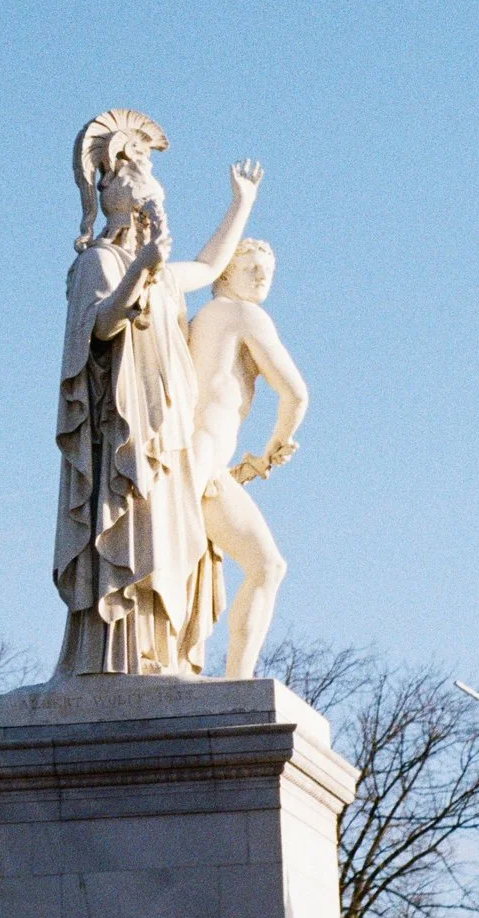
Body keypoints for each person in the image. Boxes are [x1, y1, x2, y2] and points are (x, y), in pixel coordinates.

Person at [53, 110, 261, 676]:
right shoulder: (99, 261)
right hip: (123, 430)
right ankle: (115, 660)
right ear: (114, 197)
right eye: (130, 171)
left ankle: (160, 655)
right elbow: (99, 327)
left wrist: (240, 202)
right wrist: (138, 270)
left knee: (169, 540)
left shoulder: (165, 272)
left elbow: (213, 263)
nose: (142, 176)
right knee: (129, 534)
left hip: (166, 428)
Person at [186, 239, 308, 678]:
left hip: (198, 462)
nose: (261, 278)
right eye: (251, 268)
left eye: (267, 272)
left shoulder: (202, 320)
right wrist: (280, 442)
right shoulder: (242, 314)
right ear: (223, 275)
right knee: (266, 565)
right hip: (203, 466)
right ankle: (238, 682)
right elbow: (295, 394)